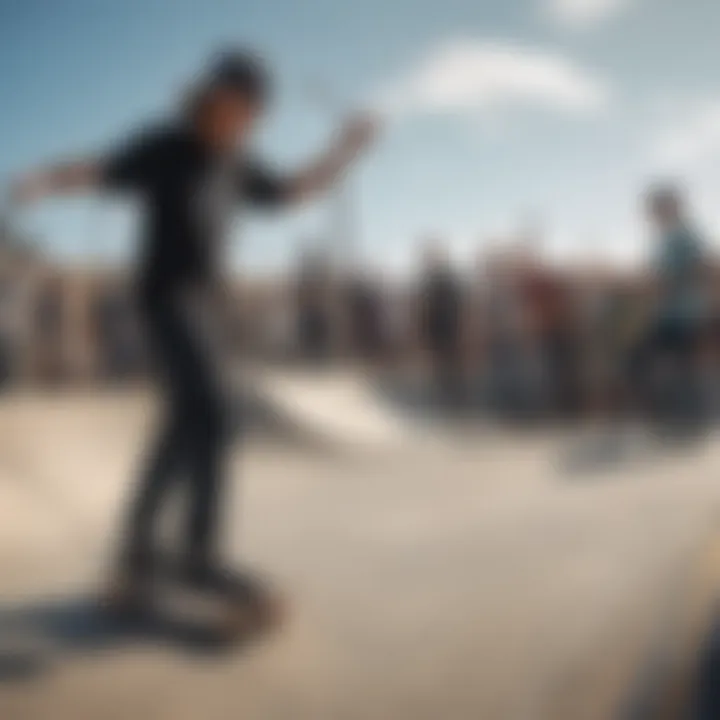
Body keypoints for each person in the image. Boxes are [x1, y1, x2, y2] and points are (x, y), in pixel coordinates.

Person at [10, 49, 377, 619]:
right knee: (214, 409)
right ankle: (198, 558)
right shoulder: (166, 146)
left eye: (245, 114)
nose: (232, 121)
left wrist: (345, 150)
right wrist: (44, 179)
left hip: (208, 307)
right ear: (210, 98)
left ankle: (135, 552)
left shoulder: (240, 164)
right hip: (164, 298)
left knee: (184, 421)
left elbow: (294, 192)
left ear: (253, 115)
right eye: (226, 106)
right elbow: (102, 170)